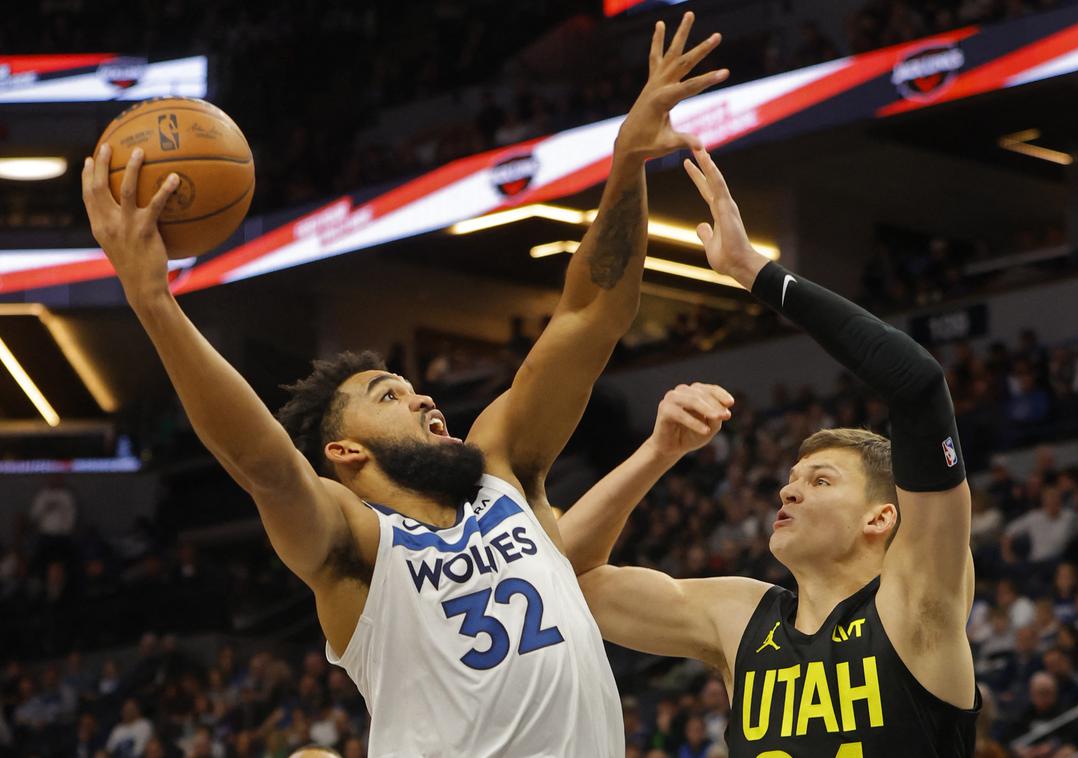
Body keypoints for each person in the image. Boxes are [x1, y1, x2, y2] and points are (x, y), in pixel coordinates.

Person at [79, 13, 729, 756]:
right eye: (388, 395)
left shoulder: (503, 470)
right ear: (347, 453)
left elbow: (591, 312)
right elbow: (261, 463)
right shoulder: (354, 546)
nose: (423, 397)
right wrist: (154, 301)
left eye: (409, 386)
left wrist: (627, 161)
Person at [563, 148, 978, 755]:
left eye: (821, 481)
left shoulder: (919, 598)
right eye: (793, 478)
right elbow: (566, 577)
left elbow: (916, 384)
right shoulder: (741, 617)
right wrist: (658, 451)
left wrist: (755, 270)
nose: (788, 490)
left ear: (880, 516)